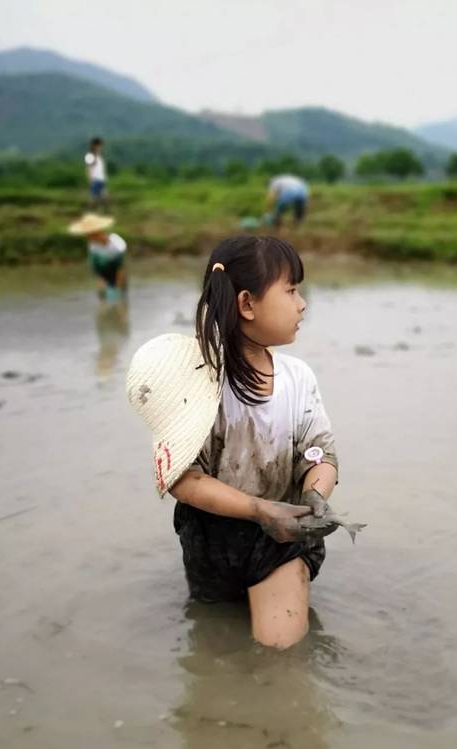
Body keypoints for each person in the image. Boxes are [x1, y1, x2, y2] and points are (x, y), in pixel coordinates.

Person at [126, 236, 340, 650]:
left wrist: (316, 496)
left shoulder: (297, 379)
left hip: (279, 540)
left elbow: (319, 453)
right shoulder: (196, 385)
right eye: (292, 290)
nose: (302, 304)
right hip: (208, 540)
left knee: (280, 653)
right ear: (246, 303)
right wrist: (258, 508)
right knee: (213, 644)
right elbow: (183, 478)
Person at [68, 213, 127, 301]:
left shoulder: (117, 244)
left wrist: (118, 290)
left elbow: (120, 269)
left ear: (98, 232)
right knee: (103, 297)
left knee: (119, 298)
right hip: (103, 272)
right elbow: (96, 268)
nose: (88, 237)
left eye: (90, 234)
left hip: (116, 271)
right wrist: (101, 284)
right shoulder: (93, 246)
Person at [84, 137, 108, 206]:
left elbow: (102, 169)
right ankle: (90, 212)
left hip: (101, 180)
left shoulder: (100, 156)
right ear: (94, 146)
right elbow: (88, 168)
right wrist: (90, 179)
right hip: (95, 180)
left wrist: (105, 177)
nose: (100, 147)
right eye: (99, 146)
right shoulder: (90, 156)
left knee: (103, 198)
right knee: (93, 198)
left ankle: (99, 212)